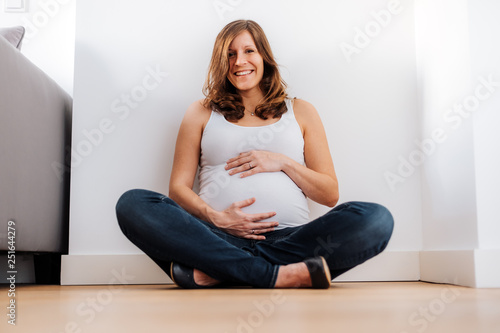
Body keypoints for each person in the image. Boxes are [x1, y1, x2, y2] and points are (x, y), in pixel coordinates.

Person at [115, 20, 394, 289]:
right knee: (133, 204)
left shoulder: (302, 110)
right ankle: (274, 274)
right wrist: (216, 217)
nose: (239, 62)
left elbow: (329, 194)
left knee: (375, 218)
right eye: (230, 54)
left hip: (293, 240)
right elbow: (177, 188)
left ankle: (223, 272)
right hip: (217, 238)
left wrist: (282, 162)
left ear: (265, 57)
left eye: (249, 51)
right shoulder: (201, 111)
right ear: (221, 63)